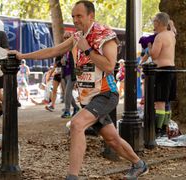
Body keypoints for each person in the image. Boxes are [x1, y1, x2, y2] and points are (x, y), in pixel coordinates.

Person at [10, 1, 148, 179]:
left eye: (79, 16)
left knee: (76, 124)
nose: (75, 20)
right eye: (73, 16)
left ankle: (72, 176)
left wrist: (88, 50)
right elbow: (53, 51)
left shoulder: (105, 35)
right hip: (88, 98)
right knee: (112, 139)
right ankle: (139, 164)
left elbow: (109, 66)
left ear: (91, 16)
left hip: (106, 93)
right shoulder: (77, 37)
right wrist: (23, 56)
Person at [148, 12, 176, 137]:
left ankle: (158, 131)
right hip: (172, 69)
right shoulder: (171, 34)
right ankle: (165, 129)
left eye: (154, 21)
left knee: (159, 101)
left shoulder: (160, 37)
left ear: (158, 23)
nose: (153, 24)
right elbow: (173, 27)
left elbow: (154, 54)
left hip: (162, 70)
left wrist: (149, 47)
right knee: (167, 101)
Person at [60, 32, 80, 118]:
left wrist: (78, 77)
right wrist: (60, 62)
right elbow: (57, 60)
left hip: (73, 74)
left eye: (68, 37)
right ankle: (76, 108)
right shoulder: (63, 49)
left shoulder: (75, 48)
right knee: (67, 93)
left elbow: (79, 62)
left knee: (67, 92)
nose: (66, 39)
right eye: (64, 37)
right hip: (65, 74)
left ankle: (67, 111)